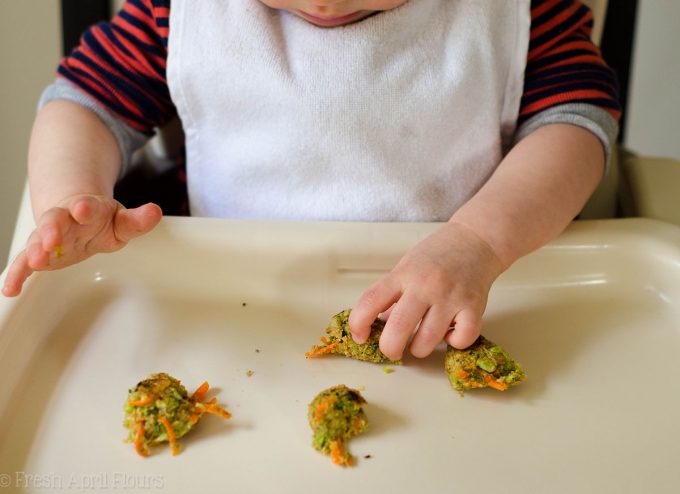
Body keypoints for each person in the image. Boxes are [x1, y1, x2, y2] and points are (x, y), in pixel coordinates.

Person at [1, 0, 620, 361]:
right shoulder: (182, 12)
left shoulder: (517, 13)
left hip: (463, 294)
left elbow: (576, 125)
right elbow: (85, 100)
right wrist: (68, 196)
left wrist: (481, 242)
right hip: (230, 314)